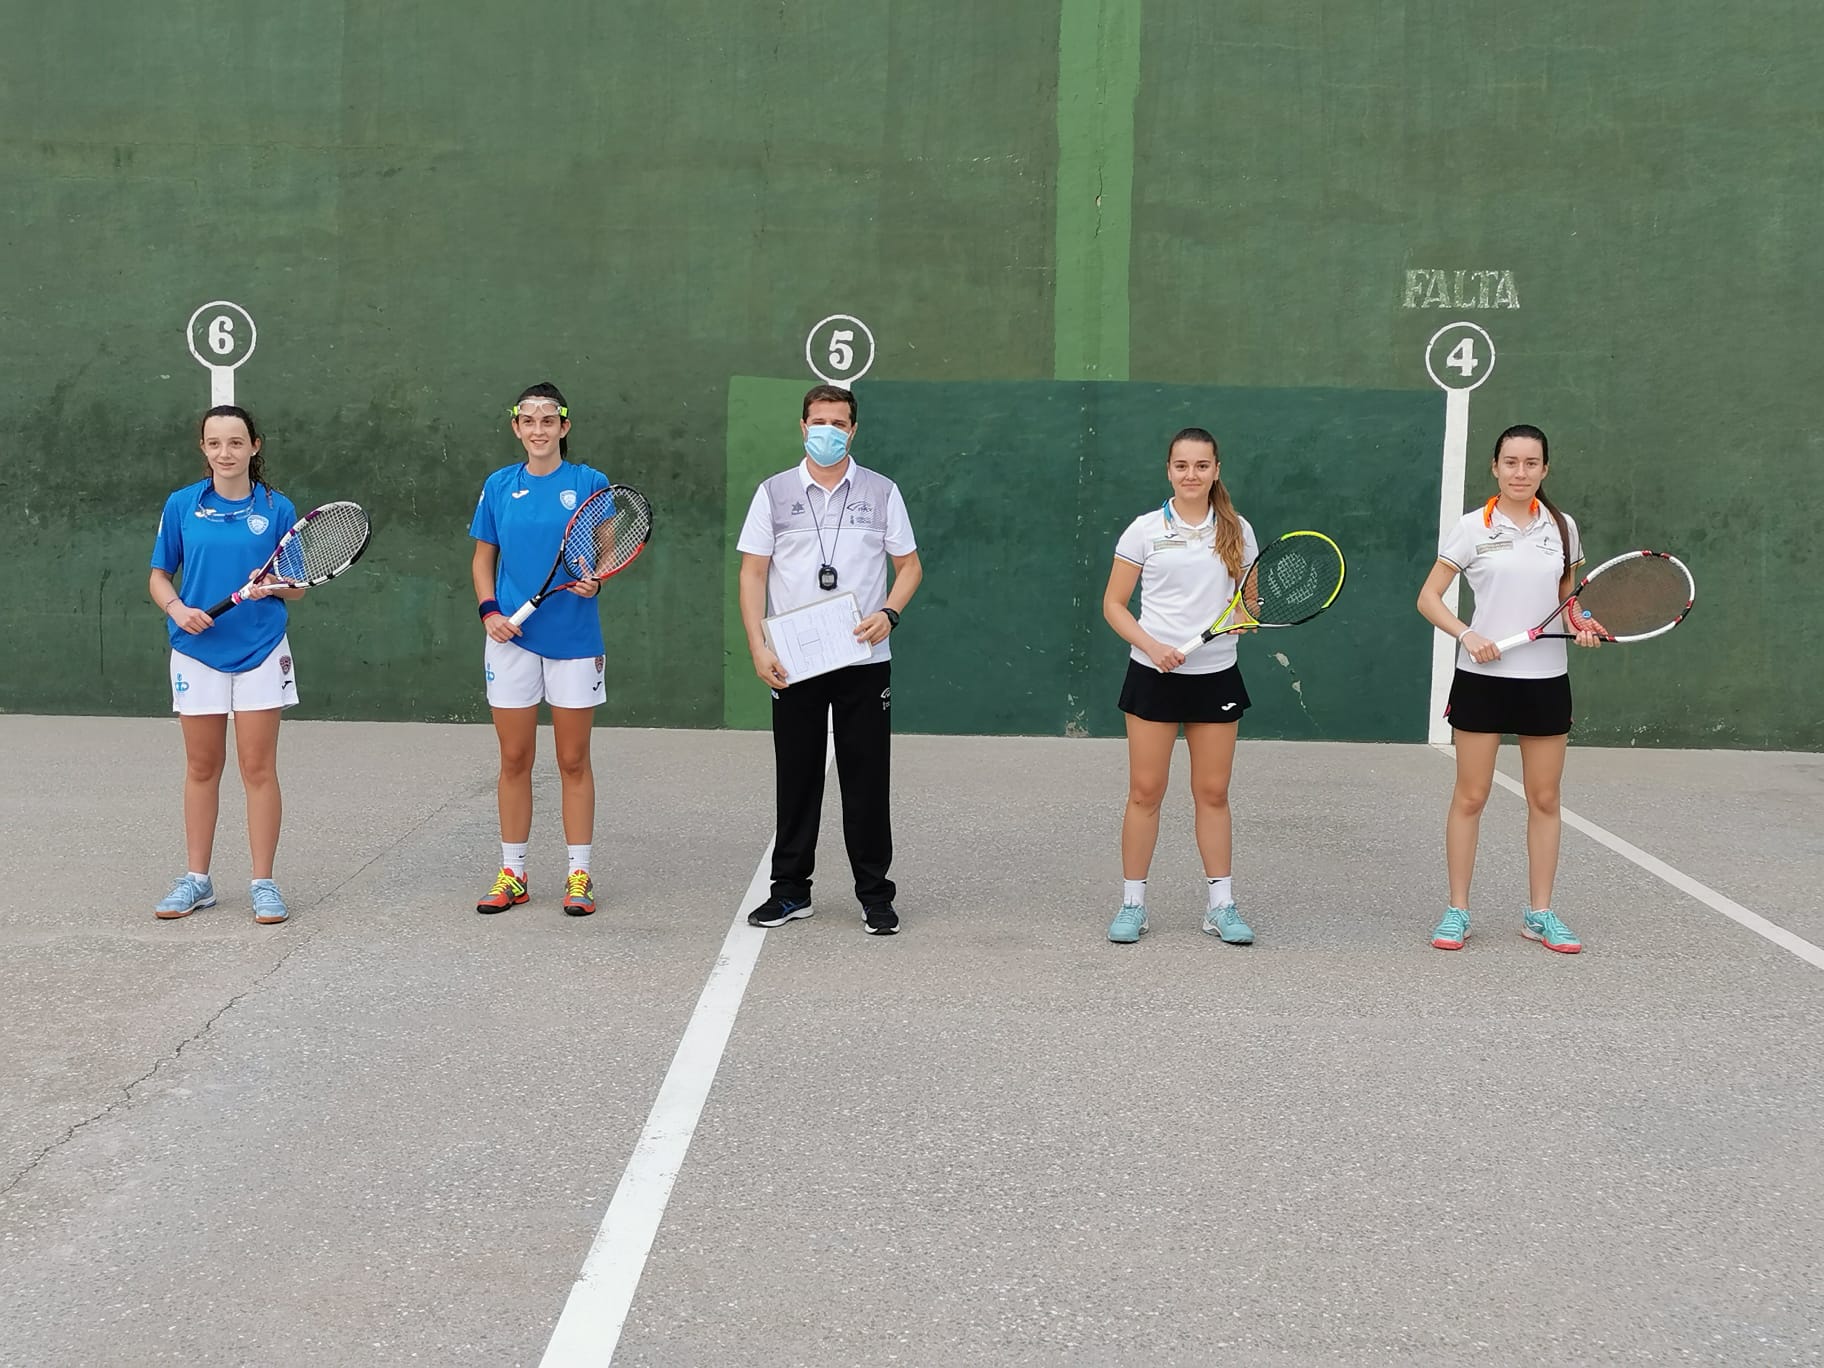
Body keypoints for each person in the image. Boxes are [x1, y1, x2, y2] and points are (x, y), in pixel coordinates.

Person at [736, 384, 922, 935]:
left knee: (867, 779)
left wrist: (889, 613)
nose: (828, 432)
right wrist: (758, 645)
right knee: (796, 778)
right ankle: (791, 892)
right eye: (819, 422)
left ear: (853, 430)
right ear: (802, 427)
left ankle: (875, 895)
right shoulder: (772, 493)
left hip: (865, 659)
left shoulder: (882, 492)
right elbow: (752, 573)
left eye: (838, 424)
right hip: (794, 662)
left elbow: (910, 567)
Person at [1417, 423, 1601, 954]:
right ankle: (1457, 910)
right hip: (1482, 681)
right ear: (1495, 468)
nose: (1521, 472)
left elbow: (1567, 599)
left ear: (1545, 469)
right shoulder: (1472, 527)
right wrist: (1467, 634)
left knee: (1544, 798)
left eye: (1531, 463)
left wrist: (1582, 622)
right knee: (1471, 796)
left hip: (1546, 682)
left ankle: (1539, 914)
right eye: (1511, 462)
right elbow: (1429, 598)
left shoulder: (1562, 528)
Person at [147, 405, 306, 924]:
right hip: (196, 652)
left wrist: (273, 584)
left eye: (236, 442)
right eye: (214, 443)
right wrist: (178, 609)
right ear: (203, 448)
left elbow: (298, 587)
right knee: (201, 767)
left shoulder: (278, 509)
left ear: (255, 446)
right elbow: (159, 576)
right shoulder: (182, 504)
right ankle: (197, 880)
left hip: (261, 650)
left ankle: (264, 884)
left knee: (257, 768)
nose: (225, 452)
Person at [1101, 428, 1259, 946]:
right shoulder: (1144, 531)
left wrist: (1244, 618)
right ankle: (1132, 905)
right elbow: (1114, 606)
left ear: (1216, 470)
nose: (1192, 474)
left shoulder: (1239, 531)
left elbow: (1251, 605)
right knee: (1145, 792)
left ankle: (1221, 907)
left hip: (1216, 676)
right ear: (1168, 470)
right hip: (1153, 676)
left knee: (1212, 793)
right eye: (1182, 465)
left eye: (1202, 465)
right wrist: (1152, 647)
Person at [469, 383, 613, 917]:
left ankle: (579, 875)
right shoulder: (499, 485)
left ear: (564, 427)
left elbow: (607, 551)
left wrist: (597, 579)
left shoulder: (590, 483)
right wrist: (490, 611)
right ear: (516, 427)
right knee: (514, 758)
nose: (538, 429)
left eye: (548, 420)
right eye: (528, 420)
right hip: (511, 640)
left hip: (574, 640)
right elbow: (483, 559)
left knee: (573, 759)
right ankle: (514, 873)